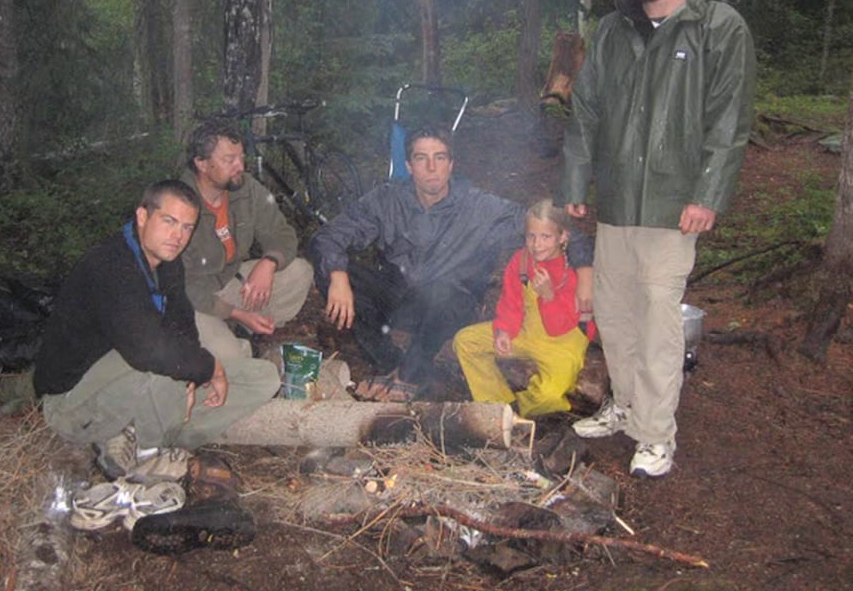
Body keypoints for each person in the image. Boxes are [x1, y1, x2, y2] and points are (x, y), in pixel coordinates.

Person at [557, 0, 756, 477]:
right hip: (619, 198)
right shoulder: (615, 28)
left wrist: (707, 194)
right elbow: (586, 108)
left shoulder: (716, 25)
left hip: (674, 204)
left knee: (657, 319)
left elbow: (729, 119)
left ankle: (655, 434)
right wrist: (575, 181)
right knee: (614, 313)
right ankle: (624, 405)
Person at [310, 124, 594, 402]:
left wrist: (584, 274)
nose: (431, 168)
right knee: (331, 271)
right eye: (421, 158)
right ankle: (387, 362)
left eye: (440, 158)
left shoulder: (480, 207)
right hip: (400, 297)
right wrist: (338, 276)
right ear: (409, 166)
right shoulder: (388, 200)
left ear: (451, 164)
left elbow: (563, 231)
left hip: (450, 306)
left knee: (443, 290)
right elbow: (329, 236)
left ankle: (411, 373)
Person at [34, 180, 280, 477]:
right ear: (142, 216)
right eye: (169, 221)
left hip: (136, 380)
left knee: (263, 378)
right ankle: (148, 451)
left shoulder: (167, 261)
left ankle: (155, 432)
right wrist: (208, 368)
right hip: (73, 403)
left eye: (187, 227)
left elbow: (182, 322)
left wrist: (192, 376)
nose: (178, 236)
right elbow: (148, 350)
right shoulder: (110, 265)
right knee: (166, 358)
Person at [179, 119, 313, 366]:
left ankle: (249, 329)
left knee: (300, 272)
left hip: (231, 281)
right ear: (201, 163)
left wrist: (269, 263)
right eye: (229, 160)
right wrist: (234, 312)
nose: (240, 166)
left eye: (241, 157)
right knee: (229, 357)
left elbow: (281, 232)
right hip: (193, 300)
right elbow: (179, 285)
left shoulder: (246, 188)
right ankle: (236, 337)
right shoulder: (178, 203)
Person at [454, 199, 596, 417]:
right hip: (525, 331)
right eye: (531, 236)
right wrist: (504, 330)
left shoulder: (574, 271)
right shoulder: (521, 261)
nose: (537, 244)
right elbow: (511, 303)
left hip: (562, 343)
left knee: (550, 395)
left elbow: (561, 326)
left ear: (563, 237)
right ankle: (498, 404)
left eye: (546, 237)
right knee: (465, 342)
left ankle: (522, 409)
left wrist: (548, 296)